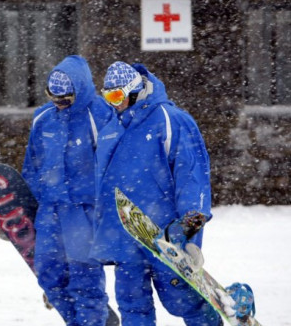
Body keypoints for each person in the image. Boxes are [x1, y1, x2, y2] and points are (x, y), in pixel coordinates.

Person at [91, 61, 221, 326]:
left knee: (181, 298)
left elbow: (192, 176)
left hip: (166, 233)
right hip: (125, 233)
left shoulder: (171, 120)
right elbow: (102, 187)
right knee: (131, 303)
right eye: (107, 96)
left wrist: (191, 226)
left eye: (117, 96)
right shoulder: (110, 131)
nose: (112, 104)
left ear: (134, 91)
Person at [21, 55, 113, 325]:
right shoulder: (43, 119)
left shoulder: (101, 115)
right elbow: (32, 165)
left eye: (65, 97)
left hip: (85, 210)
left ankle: (92, 320)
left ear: (80, 89)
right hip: (50, 210)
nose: (58, 102)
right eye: (53, 96)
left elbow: (113, 167)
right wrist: (27, 209)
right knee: (49, 276)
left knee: (85, 279)